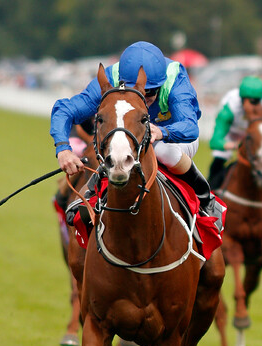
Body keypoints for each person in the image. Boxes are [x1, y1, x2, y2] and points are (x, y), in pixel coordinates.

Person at [50, 41, 218, 219]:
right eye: (135, 91)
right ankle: (90, 194)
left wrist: (162, 133)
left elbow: (190, 127)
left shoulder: (175, 80)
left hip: (173, 137)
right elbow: (65, 110)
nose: (144, 99)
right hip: (130, 138)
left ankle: (204, 196)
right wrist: (63, 149)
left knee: (162, 151)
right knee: (109, 149)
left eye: (151, 92)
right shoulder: (111, 79)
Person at [207, 76, 262, 207]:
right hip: (233, 134)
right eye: (249, 102)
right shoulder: (229, 106)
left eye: (256, 102)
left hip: (258, 138)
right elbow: (215, 141)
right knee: (218, 161)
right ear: (241, 99)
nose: (253, 107)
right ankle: (207, 196)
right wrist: (234, 145)